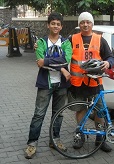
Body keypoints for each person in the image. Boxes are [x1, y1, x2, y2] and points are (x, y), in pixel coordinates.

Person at [24, 12, 72, 159]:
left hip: (62, 85)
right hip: (45, 84)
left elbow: (66, 59)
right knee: (39, 114)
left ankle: (55, 140)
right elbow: (39, 62)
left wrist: (48, 61)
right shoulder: (41, 42)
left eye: (58, 24)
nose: (55, 26)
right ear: (48, 25)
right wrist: (62, 68)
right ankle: (32, 143)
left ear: (61, 26)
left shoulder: (66, 43)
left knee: (59, 114)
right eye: (53, 23)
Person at [68, 11, 114, 152]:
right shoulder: (72, 39)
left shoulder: (100, 39)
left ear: (92, 24)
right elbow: (61, 53)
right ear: (79, 24)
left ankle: (100, 140)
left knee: (100, 112)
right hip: (78, 82)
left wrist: (108, 63)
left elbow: (110, 57)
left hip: (95, 83)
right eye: (82, 22)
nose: (85, 24)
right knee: (81, 110)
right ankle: (80, 135)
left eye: (88, 22)